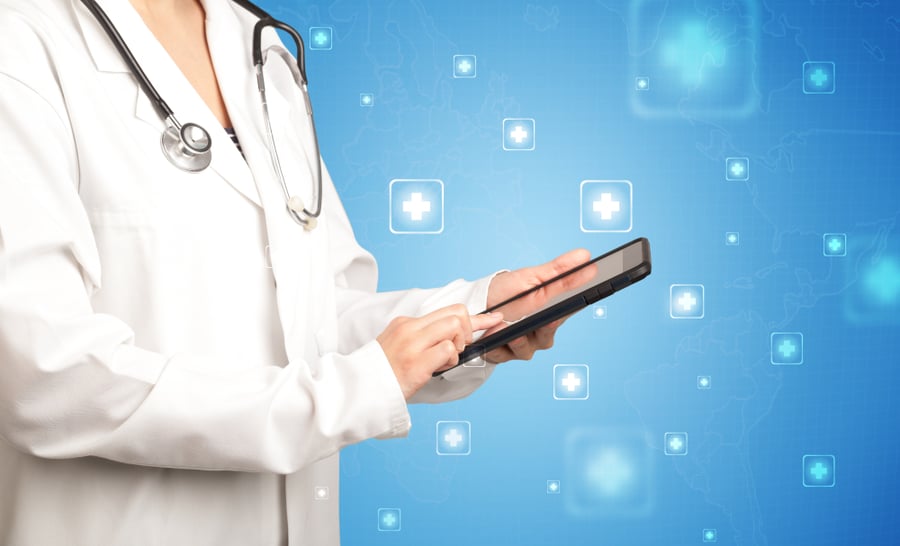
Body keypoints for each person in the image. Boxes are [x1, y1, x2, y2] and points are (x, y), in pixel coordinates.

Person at [0, 0, 588, 544]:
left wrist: (473, 317)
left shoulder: (257, 45)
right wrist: (346, 394)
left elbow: (316, 316)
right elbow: (47, 374)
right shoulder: (23, 39)